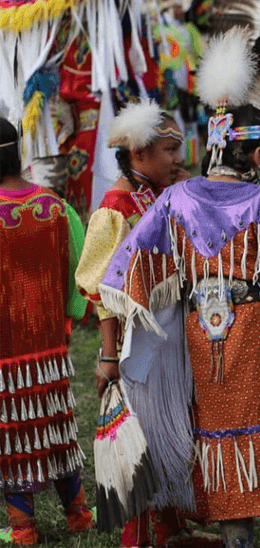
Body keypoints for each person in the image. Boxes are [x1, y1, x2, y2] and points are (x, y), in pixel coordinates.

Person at [99, 33, 260, 548]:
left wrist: (152, 311)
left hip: (201, 328)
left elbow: (128, 263)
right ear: (255, 154)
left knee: (220, 425)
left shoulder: (176, 199)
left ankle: (240, 532)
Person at [75, 102, 215, 547]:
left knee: (172, 428)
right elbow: (100, 289)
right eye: (169, 150)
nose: (178, 159)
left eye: (177, 150)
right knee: (142, 437)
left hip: (170, 333)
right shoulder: (115, 207)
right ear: (138, 155)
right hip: (138, 343)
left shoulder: (159, 194)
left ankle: (172, 529)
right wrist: (109, 354)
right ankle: (135, 540)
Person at [0, 118, 92, 545]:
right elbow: (81, 269)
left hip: (6, 353)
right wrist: (66, 317)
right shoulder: (56, 207)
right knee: (56, 425)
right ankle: (78, 513)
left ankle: (24, 528)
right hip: (51, 346)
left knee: (15, 432)